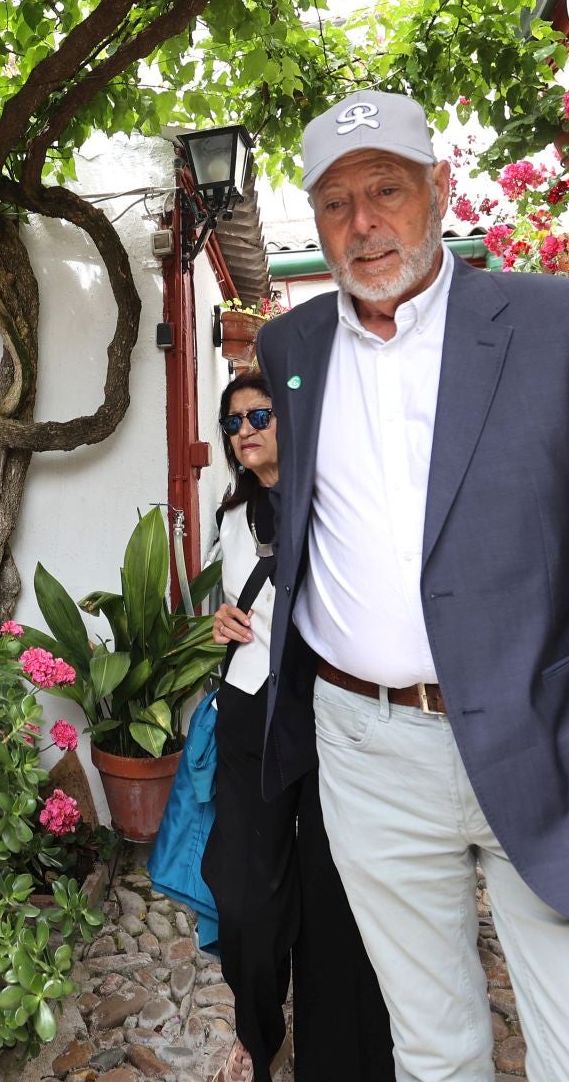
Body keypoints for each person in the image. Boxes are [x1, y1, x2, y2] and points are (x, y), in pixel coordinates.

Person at [253, 90, 569, 1082]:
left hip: (547, 734)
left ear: (439, 188)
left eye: (386, 188)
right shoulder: (292, 349)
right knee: (432, 1047)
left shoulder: (559, 325)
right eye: (336, 202)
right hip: (365, 747)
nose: (363, 222)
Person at [202, 370, 393, 1082]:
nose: (244, 430)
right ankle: (259, 1033)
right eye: (233, 423)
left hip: (332, 714)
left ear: (292, 420)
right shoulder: (229, 515)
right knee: (247, 900)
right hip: (252, 714)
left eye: (259, 415)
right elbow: (231, 608)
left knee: (334, 892)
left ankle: (339, 1054)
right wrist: (219, 622)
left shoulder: (335, 502)